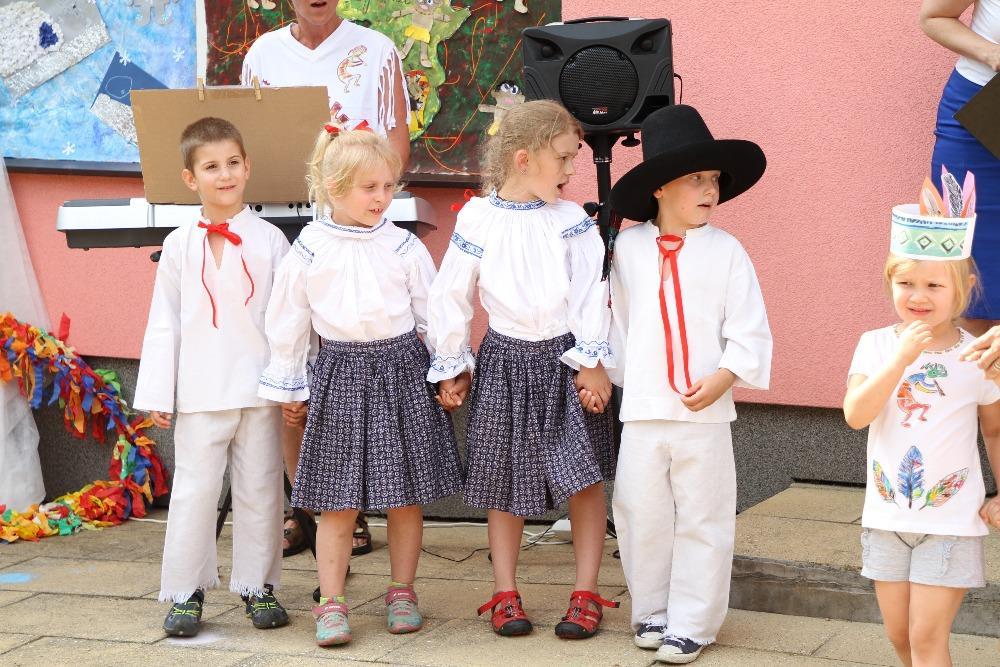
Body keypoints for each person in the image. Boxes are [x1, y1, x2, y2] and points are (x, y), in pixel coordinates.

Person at [257, 127, 462, 646]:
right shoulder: (309, 248)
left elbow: (432, 310)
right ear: (332, 185)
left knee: (405, 496)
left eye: (388, 186)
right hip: (340, 376)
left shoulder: (402, 245)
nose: (381, 198)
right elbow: (289, 320)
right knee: (337, 499)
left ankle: (402, 590)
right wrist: (291, 384)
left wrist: (449, 366)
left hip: (402, 375)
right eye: (368, 187)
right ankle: (331, 601)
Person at [426, 99, 619, 640]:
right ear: (523, 159)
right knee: (504, 479)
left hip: (565, 361)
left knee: (582, 476)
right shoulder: (478, 218)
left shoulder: (570, 221)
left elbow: (591, 293)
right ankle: (505, 590)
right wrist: (452, 364)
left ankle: (585, 591)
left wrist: (593, 362)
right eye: (563, 158)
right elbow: (451, 294)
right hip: (505, 361)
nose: (571, 170)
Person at [241, 0, 411, 558]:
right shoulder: (262, 54)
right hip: (282, 224)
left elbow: (396, 139)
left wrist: (370, 204)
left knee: (346, 367)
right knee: (294, 360)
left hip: (352, 232)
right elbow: (248, 146)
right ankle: (305, 504)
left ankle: (353, 507)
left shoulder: (377, 51)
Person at [606, 105, 771, 664]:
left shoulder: (726, 251)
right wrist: (614, 379)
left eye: (715, 180)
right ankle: (652, 609)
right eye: (696, 179)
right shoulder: (627, 251)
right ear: (658, 188)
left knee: (704, 514)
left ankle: (694, 620)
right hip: (646, 408)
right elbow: (617, 324)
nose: (710, 190)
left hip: (705, 409)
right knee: (639, 511)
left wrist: (724, 377)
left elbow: (748, 325)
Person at [133, 117, 290, 637]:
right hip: (199, 390)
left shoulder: (271, 241)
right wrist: (160, 390)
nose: (224, 175)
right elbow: (165, 321)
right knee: (194, 492)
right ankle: (185, 590)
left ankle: (257, 585)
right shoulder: (179, 245)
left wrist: (293, 383)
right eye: (210, 167)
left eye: (232, 163)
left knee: (261, 489)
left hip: (261, 388)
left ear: (247, 167)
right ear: (189, 177)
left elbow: (289, 319)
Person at [843, 184, 1000, 667]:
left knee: (928, 642)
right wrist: (900, 361)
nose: (918, 296)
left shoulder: (978, 356)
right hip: (887, 519)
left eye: (934, 286)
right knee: (901, 641)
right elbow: (856, 415)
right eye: (907, 283)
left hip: (951, 522)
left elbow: (993, 430)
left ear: (962, 290)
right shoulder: (874, 345)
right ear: (890, 283)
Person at [920, 0, 1000, 336]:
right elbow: (933, 17)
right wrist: (992, 53)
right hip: (979, 111)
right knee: (968, 261)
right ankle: (973, 384)